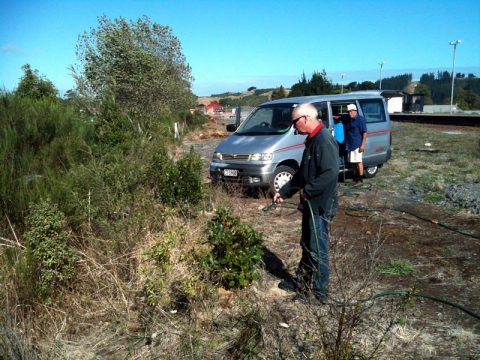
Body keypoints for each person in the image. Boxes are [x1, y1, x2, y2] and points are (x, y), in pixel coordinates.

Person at [273, 103, 339, 303]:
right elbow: (303, 174)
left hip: (320, 206)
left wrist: (308, 191)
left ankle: (319, 294)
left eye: (295, 122)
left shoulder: (324, 140)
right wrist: (284, 192)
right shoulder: (312, 140)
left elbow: (330, 173)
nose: (294, 127)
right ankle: (302, 282)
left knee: (317, 249)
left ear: (306, 118)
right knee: (307, 244)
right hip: (310, 204)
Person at [344, 104, 367, 183]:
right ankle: (355, 176)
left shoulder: (360, 119)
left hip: (357, 144)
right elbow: (339, 117)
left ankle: (360, 178)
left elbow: (364, 132)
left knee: (358, 161)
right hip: (350, 144)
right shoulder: (349, 119)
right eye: (348, 112)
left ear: (355, 111)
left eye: (351, 111)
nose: (349, 113)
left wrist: (362, 145)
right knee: (352, 162)